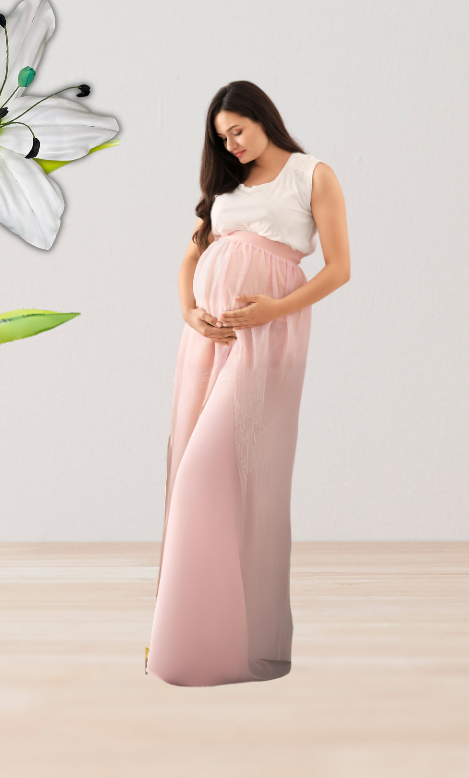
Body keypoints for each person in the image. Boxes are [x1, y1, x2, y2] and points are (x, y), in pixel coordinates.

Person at [146, 81, 350, 686]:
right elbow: (189, 258)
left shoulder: (312, 175)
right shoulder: (226, 189)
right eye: (221, 137)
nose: (230, 145)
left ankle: (211, 645)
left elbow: (339, 269)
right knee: (191, 467)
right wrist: (190, 311)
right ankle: (186, 642)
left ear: (263, 118)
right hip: (207, 342)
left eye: (236, 131)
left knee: (217, 474)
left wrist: (271, 311)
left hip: (269, 339)